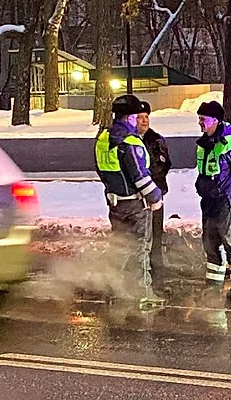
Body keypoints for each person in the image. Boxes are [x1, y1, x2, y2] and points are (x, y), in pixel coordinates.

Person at [94, 94, 164, 309]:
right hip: (135, 204)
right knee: (140, 248)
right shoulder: (130, 142)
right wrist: (155, 198)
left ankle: (115, 289)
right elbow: (140, 177)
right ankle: (143, 293)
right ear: (131, 118)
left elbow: (101, 171)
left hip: (115, 203)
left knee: (119, 246)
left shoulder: (103, 139)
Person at [196, 101, 231, 301]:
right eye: (199, 119)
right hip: (208, 200)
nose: (200, 123)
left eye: (203, 119)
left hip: (226, 199)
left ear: (216, 120)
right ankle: (213, 285)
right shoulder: (204, 144)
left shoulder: (229, 144)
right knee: (210, 243)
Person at [137, 101, 172, 292]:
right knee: (139, 239)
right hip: (136, 200)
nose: (144, 121)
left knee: (155, 238)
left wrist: (149, 186)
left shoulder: (156, 140)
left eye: (146, 118)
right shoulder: (129, 140)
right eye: (140, 118)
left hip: (154, 198)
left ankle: (157, 278)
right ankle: (141, 275)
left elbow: (163, 167)